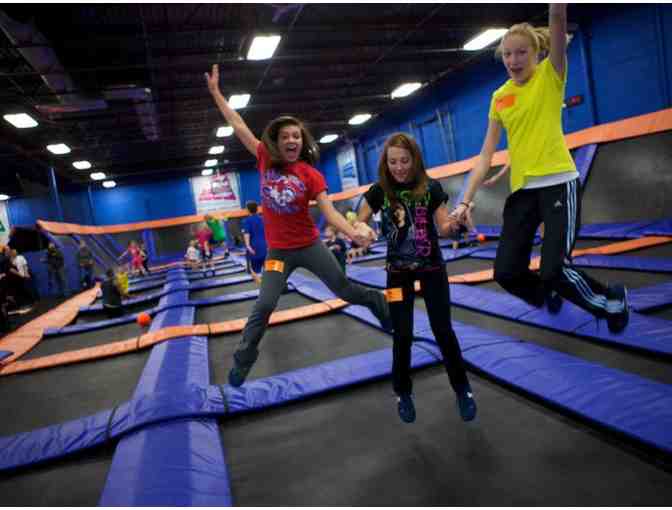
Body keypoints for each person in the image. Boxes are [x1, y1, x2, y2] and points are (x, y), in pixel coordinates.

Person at [206, 63, 391, 387]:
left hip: (309, 246)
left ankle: (378, 303)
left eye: (296, 136)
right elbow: (237, 123)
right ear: (276, 142)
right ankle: (243, 358)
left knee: (343, 289)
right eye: (285, 136)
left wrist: (353, 232)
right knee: (264, 303)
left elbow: (331, 214)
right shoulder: (264, 157)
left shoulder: (310, 174)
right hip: (279, 252)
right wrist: (217, 94)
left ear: (301, 141)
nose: (291, 140)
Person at [453, 3, 628, 333]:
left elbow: (558, 18)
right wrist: (464, 199)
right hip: (523, 192)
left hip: (559, 183)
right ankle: (545, 293)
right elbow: (485, 155)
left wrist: (556, 8)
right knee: (505, 272)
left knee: (554, 269)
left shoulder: (551, 76)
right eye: (507, 54)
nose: (513, 61)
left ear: (537, 53)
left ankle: (611, 299)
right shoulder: (499, 97)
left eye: (521, 53)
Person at [358, 132, 476, 424]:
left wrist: (458, 225)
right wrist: (360, 232)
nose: (399, 167)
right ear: (386, 163)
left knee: (442, 329)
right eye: (393, 162)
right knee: (402, 333)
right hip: (397, 275)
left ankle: (462, 390)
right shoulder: (378, 192)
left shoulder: (431, 188)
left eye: (405, 161)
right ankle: (403, 392)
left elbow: (445, 227)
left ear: (414, 160)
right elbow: (357, 221)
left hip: (432, 268)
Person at [482, 163, 545, 239]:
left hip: (533, 184)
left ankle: (542, 236)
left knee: (539, 212)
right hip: (521, 186)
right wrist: (495, 178)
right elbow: (509, 163)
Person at [241, 201, 267, 285]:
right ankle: (271, 288)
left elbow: (247, 234)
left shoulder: (247, 221)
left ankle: (264, 289)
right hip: (265, 246)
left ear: (248, 210)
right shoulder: (263, 218)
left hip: (254, 247)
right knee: (268, 269)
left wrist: (248, 246)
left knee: (254, 271)